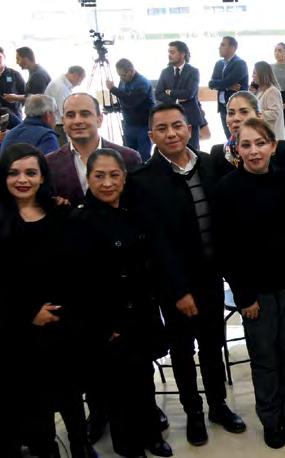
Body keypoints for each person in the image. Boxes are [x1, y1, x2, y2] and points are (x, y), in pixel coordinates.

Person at [128, 103, 247, 446]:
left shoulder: (209, 165)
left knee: (212, 344)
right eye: (162, 128)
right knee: (183, 350)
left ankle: (218, 405)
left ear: (189, 128)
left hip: (211, 277)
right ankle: (193, 412)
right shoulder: (143, 180)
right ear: (151, 136)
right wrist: (178, 290)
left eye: (177, 126)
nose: (171, 134)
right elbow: (155, 243)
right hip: (174, 285)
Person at [68, 148, 172, 458]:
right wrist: (105, 327)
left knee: (144, 380)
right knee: (117, 389)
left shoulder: (134, 211)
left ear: (124, 178)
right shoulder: (79, 220)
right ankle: (129, 447)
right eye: (99, 176)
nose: (107, 183)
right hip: (108, 321)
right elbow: (79, 284)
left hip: (142, 311)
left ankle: (152, 434)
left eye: (114, 175)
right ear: (88, 179)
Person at [212, 118, 285, 449]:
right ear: (237, 150)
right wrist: (244, 296)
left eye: (260, 143)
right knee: (264, 358)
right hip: (255, 293)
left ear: (273, 146)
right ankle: (270, 419)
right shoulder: (226, 189)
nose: (254, 151)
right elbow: (226, 249)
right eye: (246, 145)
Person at [0, 143, 96, 458]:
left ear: (43, 177)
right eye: (13, 173)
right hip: (21, 330)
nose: (22, 180)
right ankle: (46, 449)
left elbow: (78, 267)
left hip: (65, 323)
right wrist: (29, 313)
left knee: (71, 392)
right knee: (35, 397)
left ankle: (81, 444)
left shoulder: (60, 213)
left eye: (31, 173)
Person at [46, 93, 142, 206]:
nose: (77, 121)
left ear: (99, 119)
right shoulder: (50, 163)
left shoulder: (128, 158)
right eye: (71, 115)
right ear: (63, 121)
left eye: (85, 114)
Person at [208, 91, 285, 178]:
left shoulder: (283, 150)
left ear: (259, 116)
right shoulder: (218, 154)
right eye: (231, 113)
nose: (236, 118)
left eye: (244, 112)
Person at [155, 40, 205, 151]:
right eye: (169, 52)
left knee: (193, 150)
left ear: (182, 54)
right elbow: (158, 94)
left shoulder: (193, 71)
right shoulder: (165, 72)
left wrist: (169, 92)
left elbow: (189, 93)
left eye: (172, 52)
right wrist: (176, 99)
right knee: (174, 150)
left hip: (190, 117)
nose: (169, 55)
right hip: (170, 117)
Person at [108, 58, 154, 160]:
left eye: (123, 75)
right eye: (119, 75)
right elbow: (123, 98)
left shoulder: (142, 83)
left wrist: (113, 89)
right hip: (129, 124)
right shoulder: (123, 80)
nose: (122, 78)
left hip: (143, 125)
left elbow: (132, 101)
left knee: (143, 156)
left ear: (131, 71)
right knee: (128, 155)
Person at [207, 36, 249, 138]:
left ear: (232, 48)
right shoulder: (219, 64)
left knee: (239, 137)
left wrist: (223, 84)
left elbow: (227, 81)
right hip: (223, 108)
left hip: (237, 108)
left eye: (223, 45)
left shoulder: (240, 63)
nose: (219, 47)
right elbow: (211, 84)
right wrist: (227, 86)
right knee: (229, 138)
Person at [43, 65, 86, 144]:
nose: (79, 84)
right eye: (80, 80)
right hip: (58, 126)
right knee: (64, 150)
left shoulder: (62, 84)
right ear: (75, 75)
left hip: (58, 124)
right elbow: (65, 113)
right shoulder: (60, 87)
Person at [252, 61, 285, 140]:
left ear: (262, 74)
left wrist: (255, 114)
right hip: (264, 134)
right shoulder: (260, 91)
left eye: (254, 73)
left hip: (272, 136)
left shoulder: (272, 91)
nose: (252, 76)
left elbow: (274, 113)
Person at [0, 46, 28, 119]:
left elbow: (26, 95)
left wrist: (16, 103)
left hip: (14, 116)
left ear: (4, 57)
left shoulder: (15, 74)